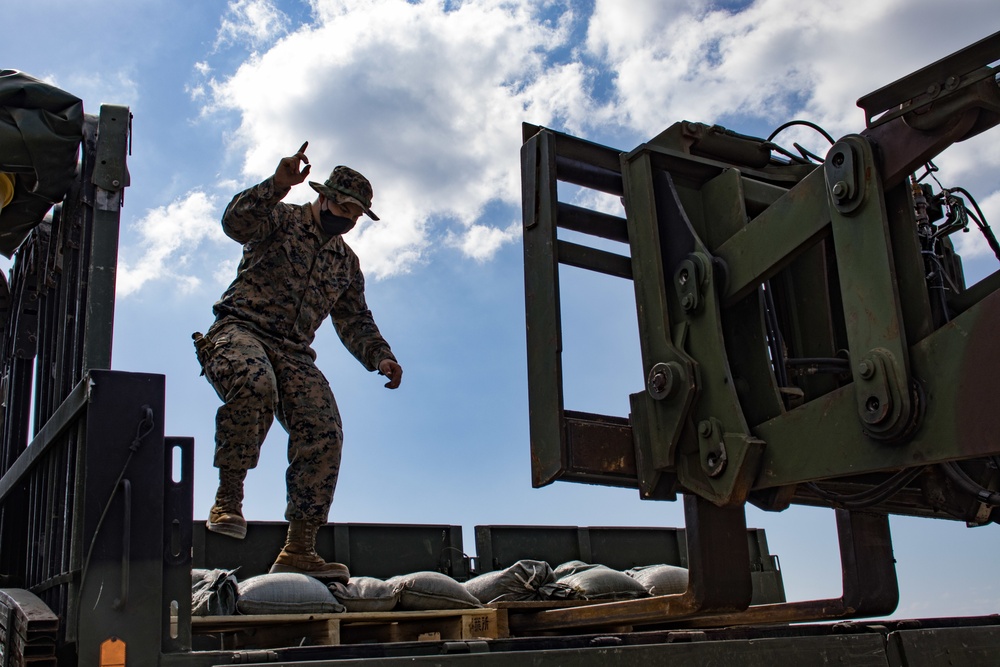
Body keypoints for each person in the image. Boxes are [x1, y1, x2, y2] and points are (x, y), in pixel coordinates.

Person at [193, 142, 402, 583]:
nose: (346, 217)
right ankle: (228, 499)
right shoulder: (281, 219)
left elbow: (355, 319)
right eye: (342, 206)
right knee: (254, 383)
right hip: (240, 329)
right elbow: (235, 223)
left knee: (324, 428)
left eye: (355, 214)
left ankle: (299, 548)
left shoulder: (346, 262)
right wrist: (276, 185)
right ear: (323, 196)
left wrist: (380, 355)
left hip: (293, 352)